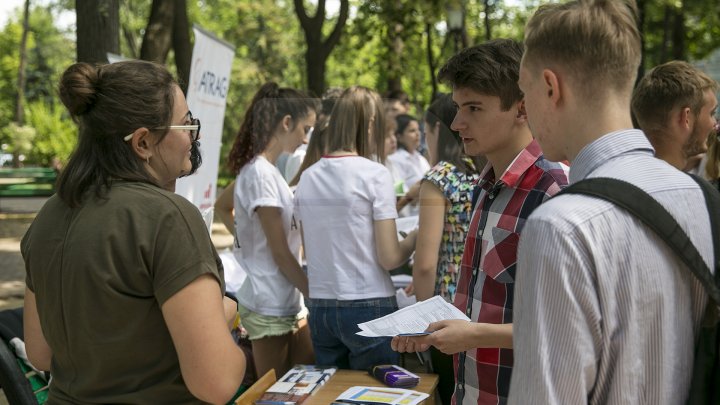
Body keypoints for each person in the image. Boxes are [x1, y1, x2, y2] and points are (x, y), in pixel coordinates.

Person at [510, 1, 714, 404]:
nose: (525, 108)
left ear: (551, 87)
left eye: (523, 91)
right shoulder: (704, 198)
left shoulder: (560, 226)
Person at [21, 60, 246, 404]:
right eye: (186, 124)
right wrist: (225, 314)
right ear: (142, 143)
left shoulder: (50, 215)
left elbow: (40, 353)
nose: (193, 136)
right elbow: (217, 382)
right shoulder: (167, 218)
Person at [391, 39, 569, 405]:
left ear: (522, 109)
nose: (457, 123)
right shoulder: (485, 186)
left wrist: (472, 335)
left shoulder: (553, 192)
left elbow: (565, 328)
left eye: (473, 108)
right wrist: (435, 331)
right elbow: (481, 303)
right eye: (457, 107)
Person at [294, 86, 418, 370]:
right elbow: (389, 257)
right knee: (375, 396)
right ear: (371, 124)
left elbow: (309, 247)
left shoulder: (308, 177)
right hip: (368, 302)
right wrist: (414, 238)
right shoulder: (375, 174)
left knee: (331, 393)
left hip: (322, 305)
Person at [226, 82, 318, 378]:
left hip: (287, 298)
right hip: (269, 302)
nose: (306, 140)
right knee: (274, 393)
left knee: (303, 383)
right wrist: (315, 293)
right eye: (305, 130)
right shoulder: (259, 174)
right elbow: (279, 251)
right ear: (286, 123)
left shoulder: (269, 172)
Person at [410, 93, 481, 405]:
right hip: (482, 305)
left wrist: (420, 326)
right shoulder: (486, 171)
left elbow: (425, 262)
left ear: (438, 130)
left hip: (444, 309)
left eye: (426, 133)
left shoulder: (440, 177)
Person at [631, 60, 718, 171]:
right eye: (712, 113)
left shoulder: (617, 178)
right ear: (686, 118)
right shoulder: (694, 188)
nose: (715, 123)